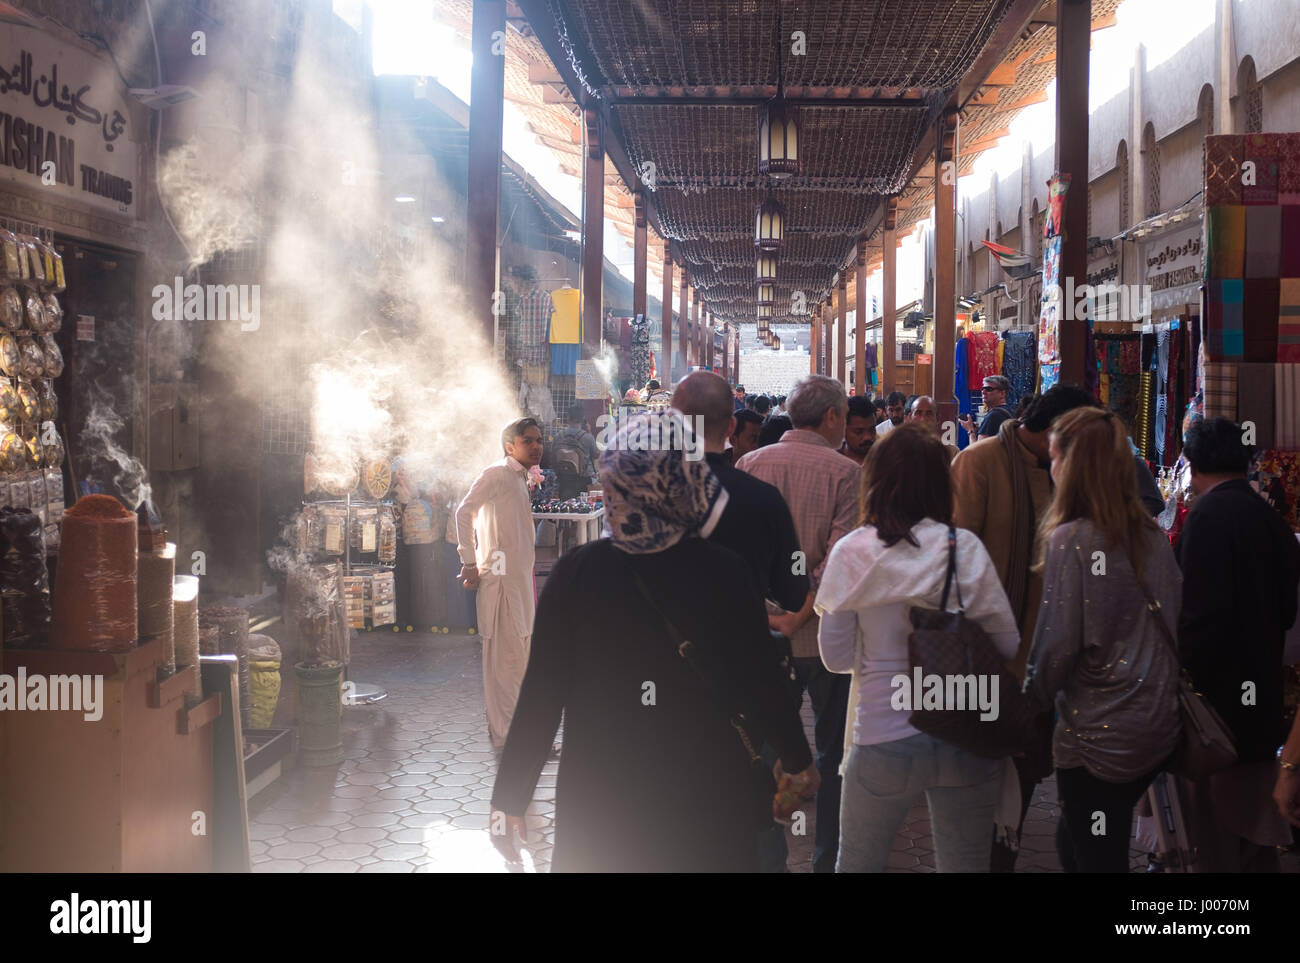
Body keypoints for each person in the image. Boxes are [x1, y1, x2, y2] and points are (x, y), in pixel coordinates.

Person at [488, 409, 817, 871]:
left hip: (602, 800)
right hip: (706, 795)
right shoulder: (725, 571)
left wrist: (510, 798)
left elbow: (542, 692)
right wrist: (798, 760)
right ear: (688, 483)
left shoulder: (576, 573)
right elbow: (760, 678)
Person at [816, 424, 1019, 872]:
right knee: (965, 864)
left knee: (857, 863)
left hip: (882, 736)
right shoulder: (963, 548)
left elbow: (833, 657)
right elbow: (1006, 644)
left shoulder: (852, 551)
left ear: (875, 480)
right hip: (965, 730)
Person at [1022, 407, 1182, 873]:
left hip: (1099, 733)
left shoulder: (1073, 539)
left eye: (1054, 458)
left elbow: (1056, 647)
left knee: (1095, 852)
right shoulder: (1150, 534)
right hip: (1156, 722)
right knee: (1081, 840)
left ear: (1072, 466)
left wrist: (1026, 704)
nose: (1050, 468)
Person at [950, 383, 1099, 870]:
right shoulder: (980, 462)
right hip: (990, 655)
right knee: (979, 782)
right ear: (1054, 431)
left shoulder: (1072, 472)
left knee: (1027, 772)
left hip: (1048, 658)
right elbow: (956, 559)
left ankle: (1002, 855)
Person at [673, 371, 811, 872]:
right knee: (759, 807)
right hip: (749, 673)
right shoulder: (761, 499)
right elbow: (794, 583)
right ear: (731, 426)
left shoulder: (647, 503)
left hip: (661, 678)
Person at [736, 374, 861, 873]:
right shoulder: (846, 472)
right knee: (830, 759)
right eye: (845, 417)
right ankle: (826, 860)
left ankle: (766, 860)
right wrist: (803, 612)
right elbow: (840, 556)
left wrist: (772, 612)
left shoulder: (748, 464)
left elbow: (740, 556)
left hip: (761, 639)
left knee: (762, 752)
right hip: (824, 640)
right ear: (831, 416)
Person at [1176, 417, 1300, 871]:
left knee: (1216, 830)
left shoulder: (1207, 518)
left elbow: (1199, 618)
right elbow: (1288, 611)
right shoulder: (1272, 520)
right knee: (1254, 827)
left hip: (1216, 705)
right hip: (1261, 692)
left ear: (1192, 464)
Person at [456, 418, 544, 750]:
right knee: (506, 669)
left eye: (539, 440)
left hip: (519, 586)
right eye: (528, 441)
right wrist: (469, 562)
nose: (537, 446)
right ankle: (511, 739)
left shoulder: (519, 477)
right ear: (510, 446)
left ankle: (516, 735)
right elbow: (464, 512)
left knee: (518, 666)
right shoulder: (496, 474)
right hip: (503, 587)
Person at [550, 402, 600, 498]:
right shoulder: (587, 437)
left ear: (568, 418)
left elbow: (552, 454)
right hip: (583, 479)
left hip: (563, 478)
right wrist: (589, 432)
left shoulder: (558, 436)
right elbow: (596, 455)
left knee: (564, 507)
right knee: (583, 508)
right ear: (583, 419)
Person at [959, 375, 1014, 440]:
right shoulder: (1011, 411)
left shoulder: (993, 416)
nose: (983, 392)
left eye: (989, 389)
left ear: (1002, 393)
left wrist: (971, 431)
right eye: (982, 389)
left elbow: (977, 449)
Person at [908, 395, 959, 461]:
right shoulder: (900, 449)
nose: (923, 419)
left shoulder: (951, 452)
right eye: (918, 413)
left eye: (929, 414)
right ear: (910, 417)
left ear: (937, 419)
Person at [839, 395, 877, 465]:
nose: (867, 437)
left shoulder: (885, 459)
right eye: (859, 432)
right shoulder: (833, 461)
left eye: (872, 430)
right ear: (843, 429)